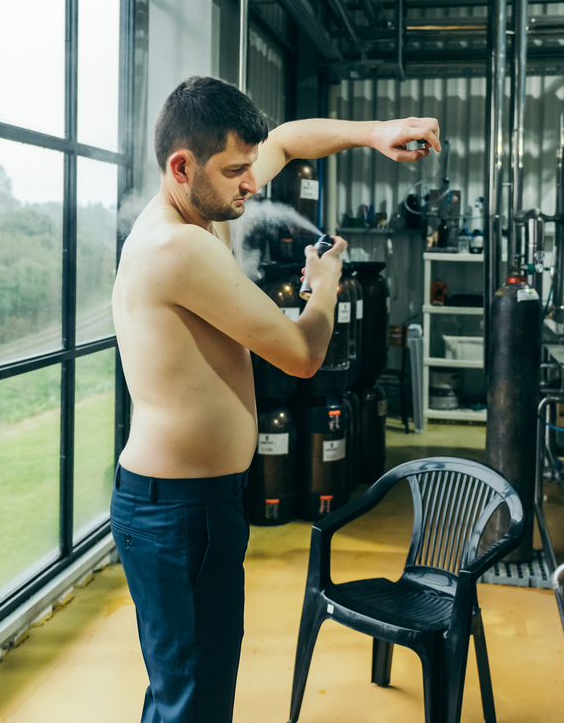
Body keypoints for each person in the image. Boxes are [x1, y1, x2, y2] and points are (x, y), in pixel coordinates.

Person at [110, 75, 441, 723]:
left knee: (183, 691)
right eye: (236, 171)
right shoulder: (178, 246)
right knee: (194, 701)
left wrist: (376, 133)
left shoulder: (196, 206)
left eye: (248, 167)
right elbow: (302, 353)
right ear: (181, 166)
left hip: (183, 504)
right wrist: (326, 284)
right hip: (182, 512)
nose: (251, 183)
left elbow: (286, 141)